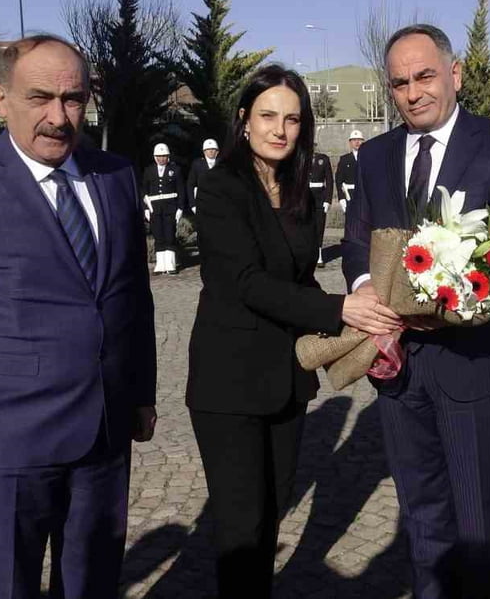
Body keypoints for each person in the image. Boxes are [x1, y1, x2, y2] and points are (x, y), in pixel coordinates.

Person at [0, 34, 158, 599]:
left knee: (92, 585)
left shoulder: (115, 176)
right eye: (40, 97)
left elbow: (132, 298)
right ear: (1, 98)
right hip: (8, 445)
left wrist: (140, 393)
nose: (58, 117)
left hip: (104, 437)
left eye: (73, 99)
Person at [341, 24, 490, 598]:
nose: (413, 93)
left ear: (454, 74)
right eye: (400, 83)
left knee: (481, 531)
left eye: (425, 76)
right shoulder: (375, 156)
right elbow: (356, 240)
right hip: (399, 370)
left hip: (478, 368)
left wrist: (459, 303)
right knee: (423, 524)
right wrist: (365, 288)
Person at [187, 64, 400, 599]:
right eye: (268, 116)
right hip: (230, 382)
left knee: (273, 511)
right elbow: (246, 282)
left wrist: (361, 323)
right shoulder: (219, 188)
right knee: (241, 525)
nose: (279, 130)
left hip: (286, 378)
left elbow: (300, 279)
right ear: (244, 120)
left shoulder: (300, 189)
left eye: (292, 119)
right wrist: (341, 309)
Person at [144, 142, 182, 274]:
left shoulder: (175, 170)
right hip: (154, 208)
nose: (161, 159)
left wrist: (180, 208)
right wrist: (146, 208)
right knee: (158, 235)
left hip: (170, 207)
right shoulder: (149, 171)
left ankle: (170, 264)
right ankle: (160, 264)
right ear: (155, 157)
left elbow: (180, 190)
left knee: (169, 234)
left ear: (168, 157)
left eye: (164, 156)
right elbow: (144, 190)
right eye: (159, 156)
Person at [308, 144, 334, 265]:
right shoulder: (300, 158)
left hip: (319, 197)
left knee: (319, 226)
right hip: (305, 197)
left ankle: (319, 254)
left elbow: (329, 180)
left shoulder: (323, 159)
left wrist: (328, 200)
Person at [334, 129, 364, 216]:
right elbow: (339, 180)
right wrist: (341, 198)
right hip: (349, 196)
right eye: (354, 140)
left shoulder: (368, 158)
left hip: (364, 196)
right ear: (350, 142)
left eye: (359, 140)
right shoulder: (344, 159)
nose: (357, 142)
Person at [187, 138, 220, 215]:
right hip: (202, 203)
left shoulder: (222, 164)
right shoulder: (197, 164)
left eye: (213, 149)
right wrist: (192, 205)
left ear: (217, 152)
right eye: (208, 149)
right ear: (204, 151)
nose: (211, 151)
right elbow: (190, 185)